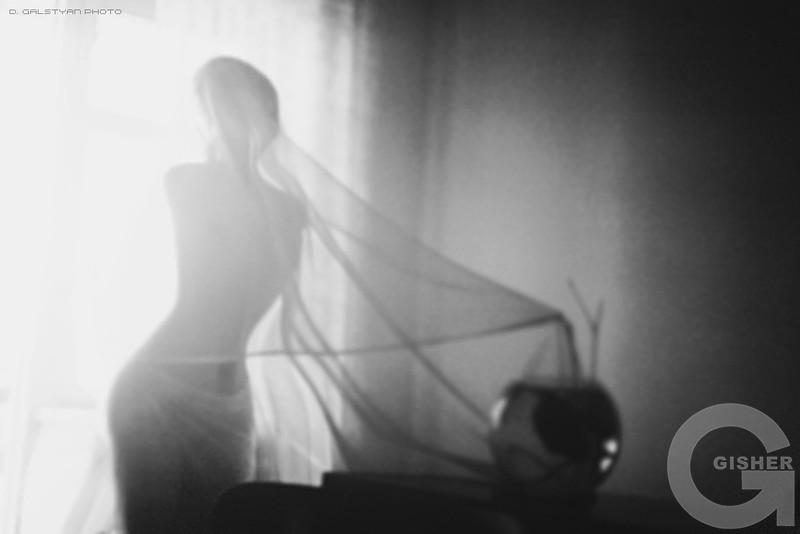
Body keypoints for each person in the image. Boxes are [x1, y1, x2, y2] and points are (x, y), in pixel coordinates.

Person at [107, 56, 307, 534]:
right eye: (215, 108)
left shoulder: (290, 211)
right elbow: (215, 274)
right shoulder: (187, 182)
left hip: (231, 399)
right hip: (157, 389)